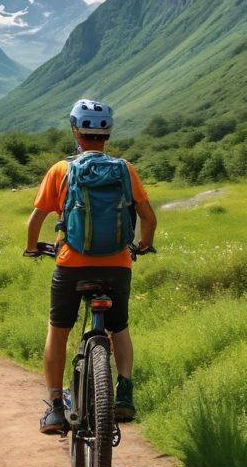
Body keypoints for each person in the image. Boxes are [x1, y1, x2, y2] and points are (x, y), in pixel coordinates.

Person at [24, 99, 156, 435]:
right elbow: (148, 217)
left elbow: (36, 219)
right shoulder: (125, 169)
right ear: (107, 134)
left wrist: (31, 248)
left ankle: (55, 408)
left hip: (71, 266)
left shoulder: (61, 170)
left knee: (58, 331)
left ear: (75, 131)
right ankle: (123, 392)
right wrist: (143, 245)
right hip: (117, 266)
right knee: (119, 328)